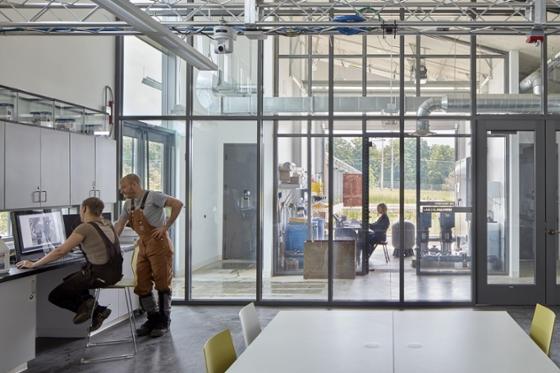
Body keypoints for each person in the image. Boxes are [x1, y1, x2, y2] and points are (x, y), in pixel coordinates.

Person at [16, 197, 123, 332]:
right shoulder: (107, 224)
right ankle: (95, 308)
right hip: (115, 274)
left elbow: (60, 251)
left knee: (56, 295)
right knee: (71, 279)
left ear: (84, 208)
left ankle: (96, 310)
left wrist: (34, 264)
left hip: (99, 275)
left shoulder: (85, 227)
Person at [114, 174, 183, 338]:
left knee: (162, 282)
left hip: (159, 244)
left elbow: (178, 204)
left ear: (134, 185)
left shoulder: (154, 196)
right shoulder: (128, 204)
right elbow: (120, 223)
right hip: (143, 245)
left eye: (124, 187)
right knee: (142, 283)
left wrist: (166, 226)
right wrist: (112, 242)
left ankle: (164, 321)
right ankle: (152, 319)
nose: (122, 191)